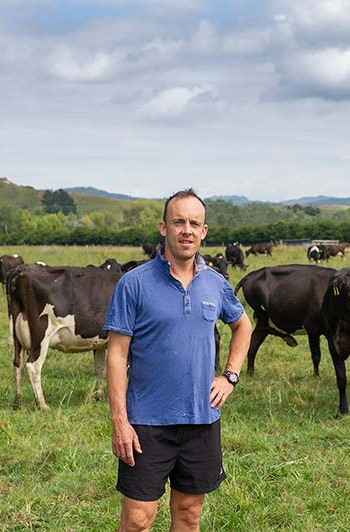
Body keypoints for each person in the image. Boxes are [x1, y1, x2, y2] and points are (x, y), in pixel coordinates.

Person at [105, 189, 252, 532]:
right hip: (146, 422)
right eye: (179, 221)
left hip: (201, 419)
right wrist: (119, 421)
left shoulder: (215, 284)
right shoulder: (134, 284)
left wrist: (230, 376)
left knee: (188, 513)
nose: (187, 229)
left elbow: (242, 325)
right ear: (163, 228)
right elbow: (116, 353)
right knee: (139, 518)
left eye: (194, 223)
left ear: (204, 232)